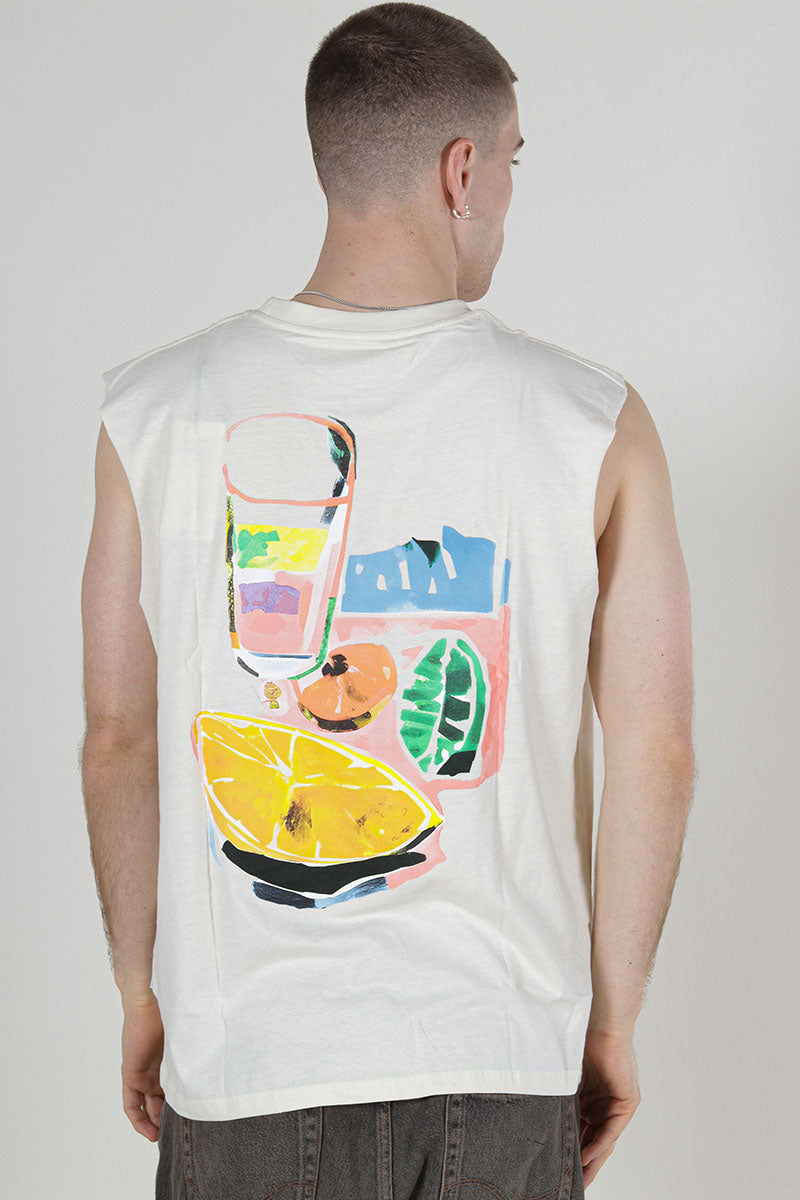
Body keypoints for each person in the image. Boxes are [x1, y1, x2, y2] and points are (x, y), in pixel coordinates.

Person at [80, 3, 695, 1197]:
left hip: (244, 1058)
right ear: (461, 172)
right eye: (510, 162)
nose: (506, 196)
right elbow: (654, 748)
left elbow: (116, 738)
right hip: (499, 1059)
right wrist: (609, 1017)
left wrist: (141, 990)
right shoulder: (590, 418)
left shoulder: (149, 413)